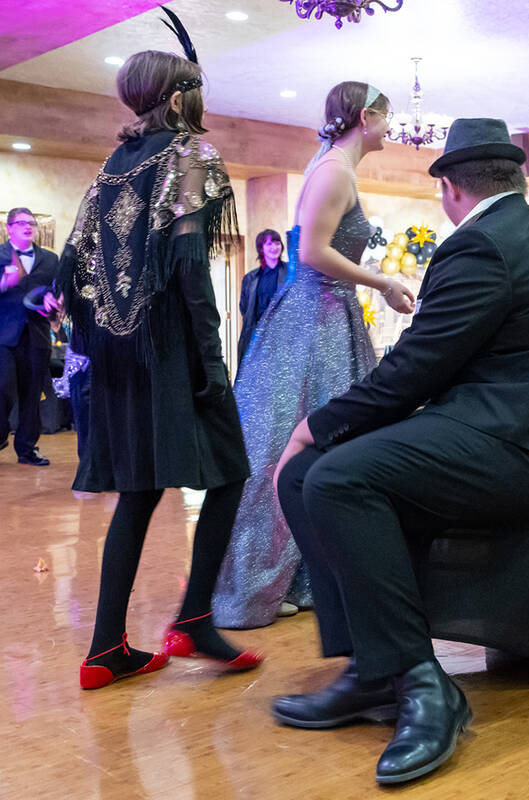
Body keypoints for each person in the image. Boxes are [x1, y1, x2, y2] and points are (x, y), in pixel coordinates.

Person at [270, 118, 529, 784]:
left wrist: (312, 424)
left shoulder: (482, 242)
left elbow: (417, 368)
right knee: (307, 477)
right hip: (505, 430)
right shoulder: (522, 230)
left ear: (450, 188)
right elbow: (434, 367)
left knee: (331, 475)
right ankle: (374, 672)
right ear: (511, 178)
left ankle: (423, 683)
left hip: (519, 449)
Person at [58, 41, 262, 689]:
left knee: (140, 493)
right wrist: (212, 361)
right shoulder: (190, 153)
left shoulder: (112, 164)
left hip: (123, 357)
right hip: (172, 351)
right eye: (195, 87)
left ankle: (104, 649)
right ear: (177, 96)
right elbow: (190, 269)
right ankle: (194, 620)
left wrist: (104, 337)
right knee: (230, 471)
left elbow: (70, 270)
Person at [212, 82, 414, 629]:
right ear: (366, 117)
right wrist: (382, 282)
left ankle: (303, 574)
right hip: (314, 318)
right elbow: (310, 252)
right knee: (292, 440)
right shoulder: (333, 170)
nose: (391, 128)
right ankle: (254, 580)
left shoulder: (335, 165)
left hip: (327, 314)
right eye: (387, 118)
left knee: (320, 440)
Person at [0, 207, 58, 466]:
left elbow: (56, 290)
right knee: (2, 388)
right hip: (4, 335)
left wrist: (52, 300)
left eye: (32, 223)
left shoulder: (50, 259)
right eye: (21, 223)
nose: (28, 227)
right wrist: (3, 284)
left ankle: (26, 449)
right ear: (9, 228)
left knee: (32, 394)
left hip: (36, 335)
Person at [236, 228, 286, 366]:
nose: (274, 247)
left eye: (277, 243)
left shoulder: (290, 274)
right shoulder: (250, 278)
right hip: (256, 337)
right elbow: (244, 308)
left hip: (282, 338)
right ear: (261, 248)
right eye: (269, 244)